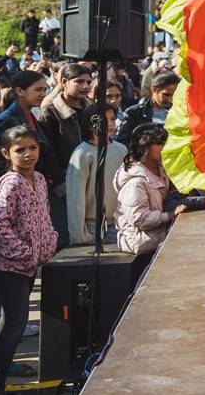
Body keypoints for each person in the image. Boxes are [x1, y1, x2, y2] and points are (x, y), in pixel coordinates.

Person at [0, 126, 58, 395]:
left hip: (31, 264)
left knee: (11, 323)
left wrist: (50, 240)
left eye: (32, 148)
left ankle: (4, 364)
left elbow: (44, 216)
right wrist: (24, 253)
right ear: (7, 154)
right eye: (20, 150)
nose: (28, 154)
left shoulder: (39, 179)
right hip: (10, 266)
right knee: (15, 324)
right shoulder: (11, 184)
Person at [35, 63, 93, 247]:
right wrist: (59, 182)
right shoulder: (50, 113)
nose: (85, 86)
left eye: (88, 82)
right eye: (79, 81)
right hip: (64, 184)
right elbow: (47, 152)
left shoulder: (91, 111)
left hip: (91, 181)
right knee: (65, 237)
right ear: (64, 82)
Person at [114, 124, 181, 265]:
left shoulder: (160, 169)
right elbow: (139, 219)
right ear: (145, 146)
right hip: (140, 241)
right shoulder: (135, 182)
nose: (164, 147)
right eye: (159, 144)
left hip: (157, 235)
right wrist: (170, 215)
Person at [66, 103, 124, 246]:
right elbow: (76, 198)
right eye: (106, 120)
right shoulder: (82, 154)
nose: (111, 124)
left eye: (113, 119)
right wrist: (80, 235)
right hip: (92, 227)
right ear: (92, 123)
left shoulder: (121, 149)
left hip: (118, 222)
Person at [114, 71, 179, 146]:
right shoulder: (133, 113)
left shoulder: (179, 113)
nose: (171, 99)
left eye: (175, 95)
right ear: (154, 89)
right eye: (166, 95)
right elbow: (124, 143)